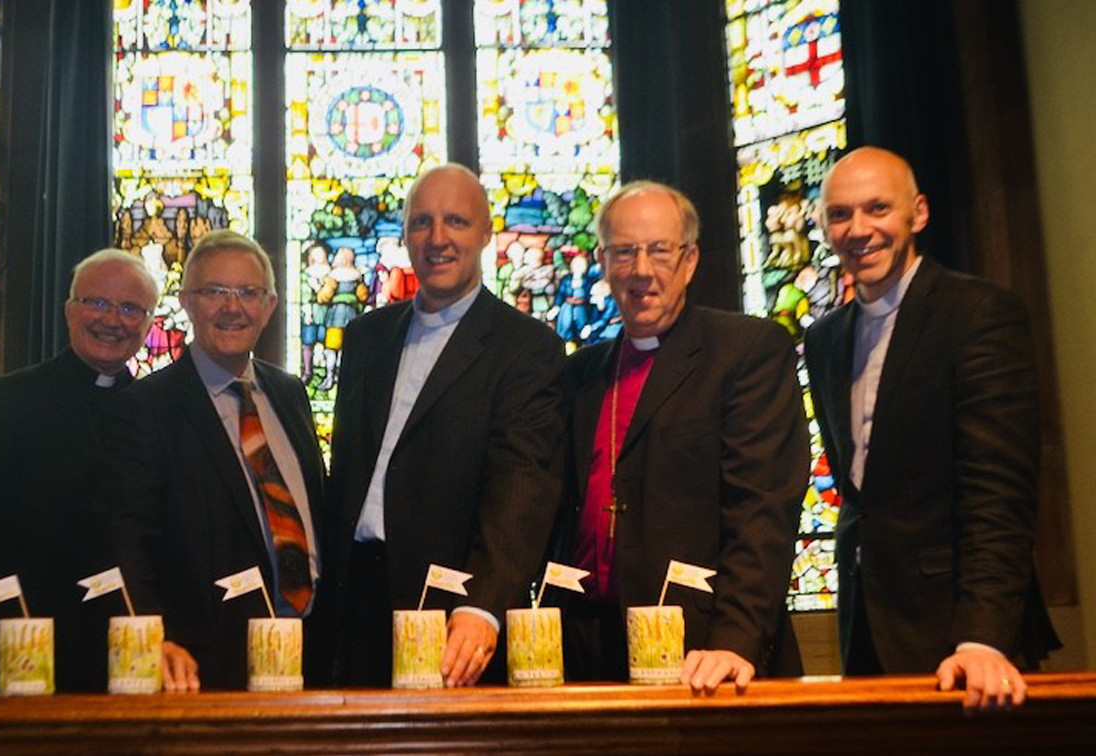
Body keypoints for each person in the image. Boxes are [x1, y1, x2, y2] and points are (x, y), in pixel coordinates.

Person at [805, 146, 1060, 711]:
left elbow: (1000, 493)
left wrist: (983, 638)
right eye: (840, 214)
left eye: (877, 209)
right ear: (823, 227)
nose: (859, 229)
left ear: (917, 213)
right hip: (866, 623)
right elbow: (860, 494)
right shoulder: (824, 339)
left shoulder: (977, 314)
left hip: (963, 633)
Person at [554, 181, 807, 693]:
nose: (642, 271)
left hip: (706, 650)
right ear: (602, 261)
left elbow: (761, 512)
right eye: (624, 252)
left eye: (659, 251)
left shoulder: (745, 350)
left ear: (689, 260)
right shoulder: (581, 374)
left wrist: (735, 641)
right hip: (589, 652)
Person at [325, 164, 566, 687]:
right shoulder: (366, 338)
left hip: (453, 609)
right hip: (354, 602)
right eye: (421, 222)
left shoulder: (526, 348)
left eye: (456, 221)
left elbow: (523, 488)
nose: (437, 239)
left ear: (485, 232)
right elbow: (345, 477)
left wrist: (483, 606)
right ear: (405, 234)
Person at [106, 230, 326, 691]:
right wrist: (151, 635)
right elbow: (126, 537)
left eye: (248, 293)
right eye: (215, 292)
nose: (233, 307)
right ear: (186, 301)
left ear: (269, 306)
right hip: (203, 665)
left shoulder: (290, 393)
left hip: (311, 653)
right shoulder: (146, 406)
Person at [0, 248, 158, 692]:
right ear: (69, 310)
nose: (111, 320)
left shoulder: (159, 413)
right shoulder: (9, 401)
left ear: (149, 323)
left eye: (129, 308)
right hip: (22, 641)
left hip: (124, 652)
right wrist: (15, 620)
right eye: (97, 303)